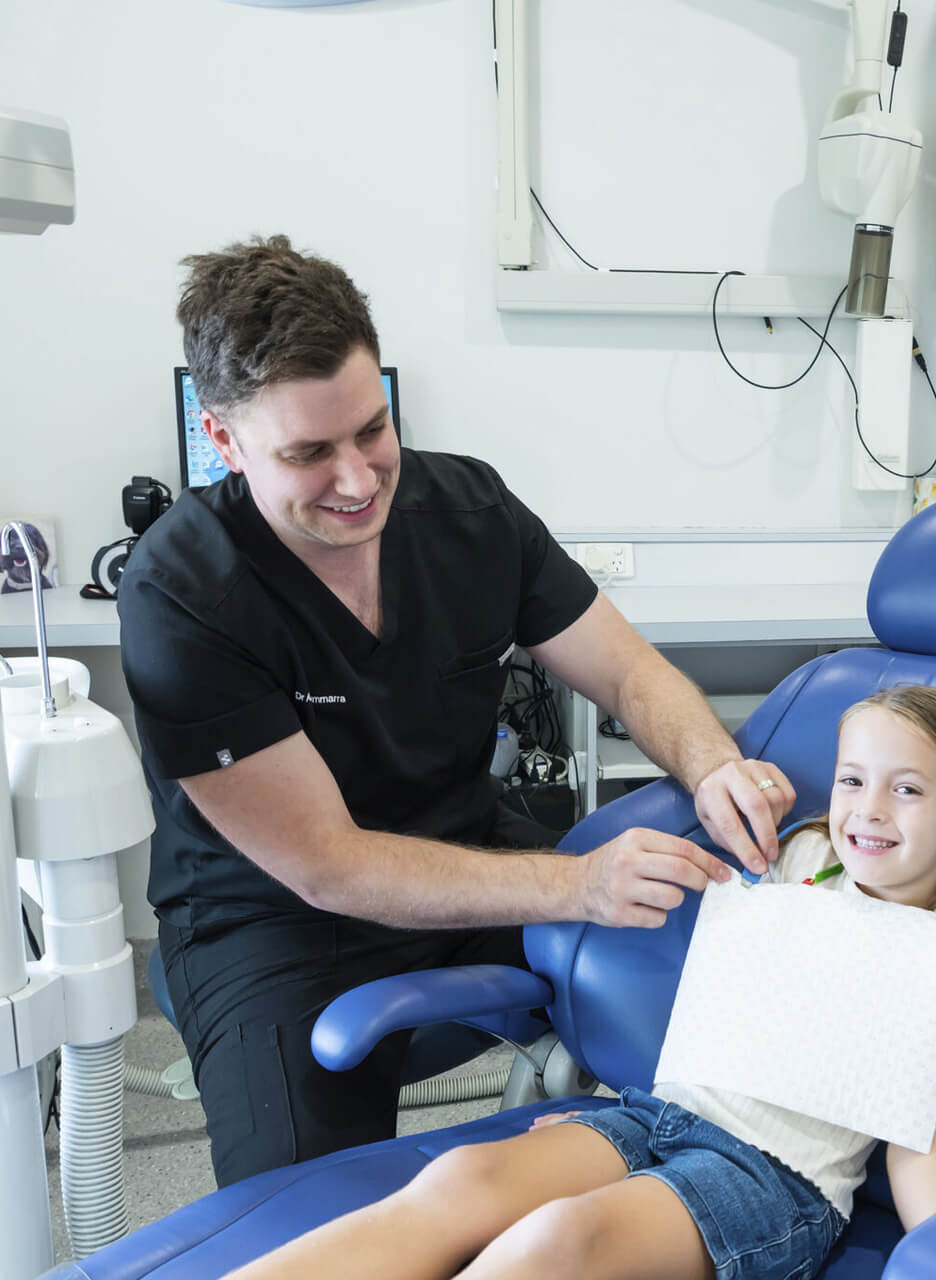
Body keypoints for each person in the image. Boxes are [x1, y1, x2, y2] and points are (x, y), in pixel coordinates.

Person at [117, 234, 797, 1187]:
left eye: (371, 429)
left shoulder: (469, 511)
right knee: (314, 1226)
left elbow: (632, 675)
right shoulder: (185, 590)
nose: (357, 481)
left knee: (727, 991)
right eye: (309, 454)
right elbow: (329, 865)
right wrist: (578, 886)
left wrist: (712, 763)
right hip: (272, 918)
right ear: (224, 441)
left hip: (470, 853)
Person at [221, 684, 936, 1280]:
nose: (868, 810)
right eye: (852, 780)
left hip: (774, 1179)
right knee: (465, 1178)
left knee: (558, 1240)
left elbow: (923, 1150)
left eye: (907, 790)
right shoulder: (802, 859)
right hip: (653, 1117)